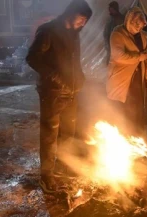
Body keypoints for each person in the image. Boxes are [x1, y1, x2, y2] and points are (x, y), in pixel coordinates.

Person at [26, 0, 92, 193]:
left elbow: (73, 61)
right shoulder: (48, 30)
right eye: (82, 19)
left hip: (71, 93)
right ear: (71, 14)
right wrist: (56, 78)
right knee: (49, 135)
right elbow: (32, 58)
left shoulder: (74, 34)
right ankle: (46, 177)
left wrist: (79, 77)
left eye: (86, 21)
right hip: (52, 92)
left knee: (68, 132)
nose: (83, 24)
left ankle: (64, 166)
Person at [106, 7, 147, 137]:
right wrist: (139, 57)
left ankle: (137, 138)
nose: (138, 29)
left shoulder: (143, 36)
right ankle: (123, 137)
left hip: (138, 79)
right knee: (122, 110)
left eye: (141, 27)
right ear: (129, 21)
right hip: (121, 79)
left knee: (138, 109)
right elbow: (119, 56)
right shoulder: (118, 34)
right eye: (136, 26)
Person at [104, 1, 125, 65]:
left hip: (116, 45)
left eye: (111, 9)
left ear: (115, 9)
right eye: (109, 9)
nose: (110, 11)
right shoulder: (110, 19)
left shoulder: (120, 19)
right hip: (110, 45)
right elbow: (106, 32)